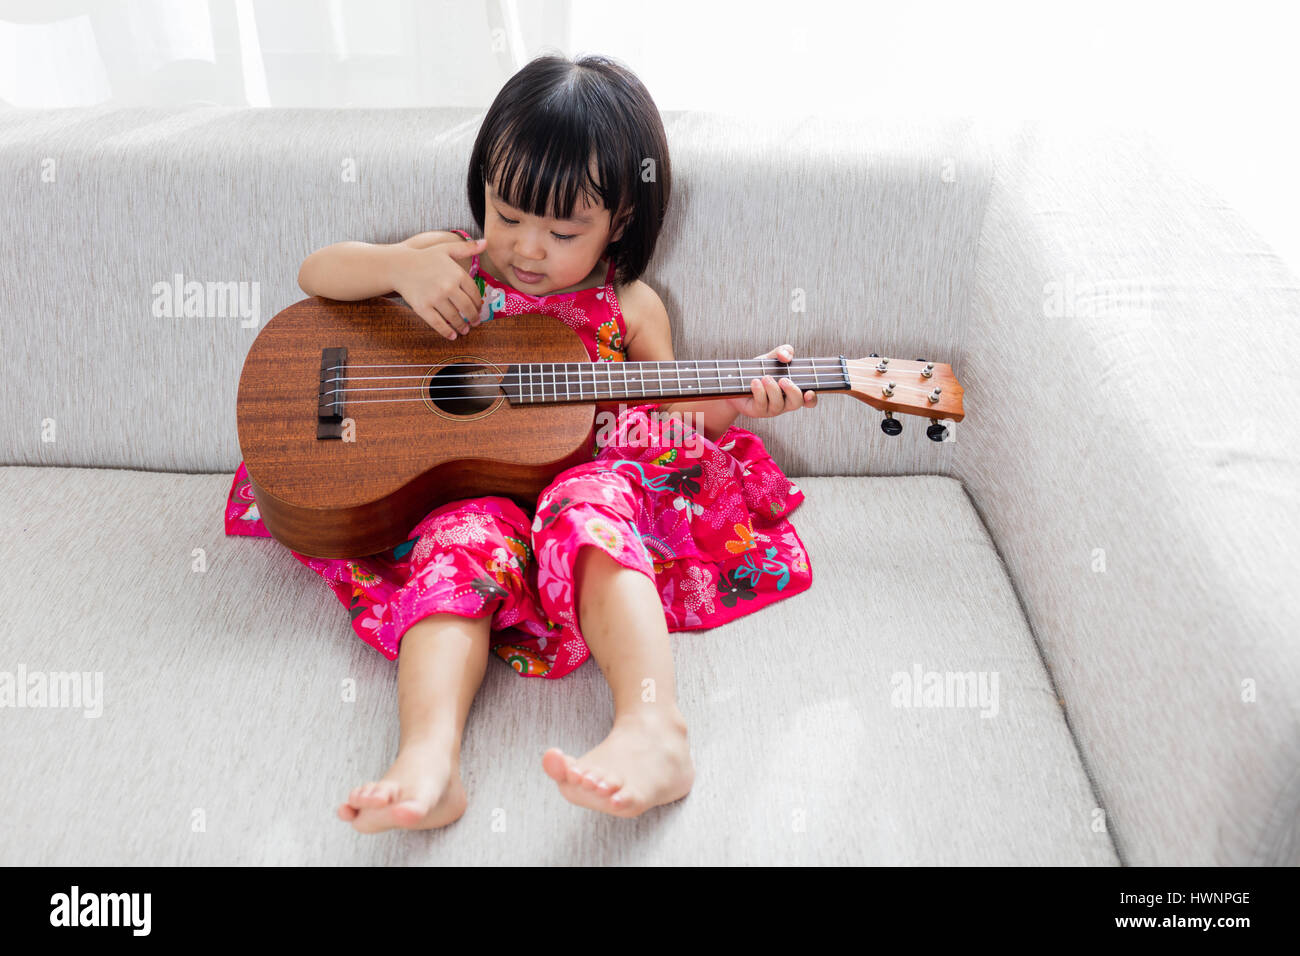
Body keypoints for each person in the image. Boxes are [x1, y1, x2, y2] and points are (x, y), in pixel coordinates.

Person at [224, 53, 817, 830]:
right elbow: (317, 273)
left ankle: (653, 730)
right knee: (456, 548)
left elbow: (676, 410)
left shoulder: (628, 306)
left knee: (590, 509)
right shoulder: (453, 263)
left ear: (620, 223)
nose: (526, 249)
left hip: (586, 478)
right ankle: (428, 762)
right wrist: (399, 265)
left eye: (562, 230)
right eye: (507, 214)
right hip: (466, 490)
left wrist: (741, 399)